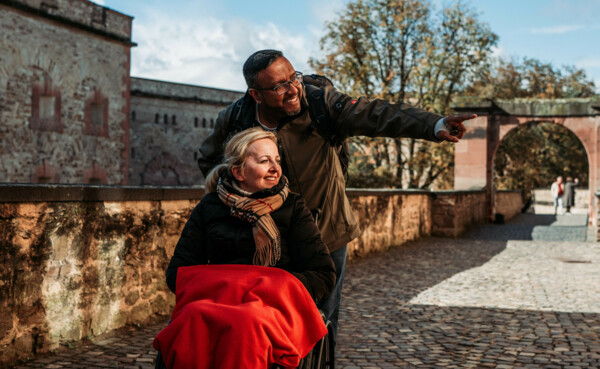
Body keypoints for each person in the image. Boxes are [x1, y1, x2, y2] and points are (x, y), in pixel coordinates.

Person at [197, 49, 477, 345]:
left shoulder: (321, 104)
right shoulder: (234, 119)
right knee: (264, 328)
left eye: (294, 78)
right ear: (256, 94)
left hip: (324, 236)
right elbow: (211, 164)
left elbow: (378, 113)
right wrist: (238, 201)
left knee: (319, 325)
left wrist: (434, 125)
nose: (293, 90)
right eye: (280, 86)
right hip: (262, 240)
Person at [157, 127, 336, 368]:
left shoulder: (293, 207)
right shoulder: (209, 207)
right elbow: (177, 273)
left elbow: (322, 274)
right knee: (192, 316)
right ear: (239, 171)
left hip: (273, 308)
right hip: (217, 301)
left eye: (277, 160)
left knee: (249, 321)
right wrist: (231, 285)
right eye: (264, 161)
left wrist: (271, 287)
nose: (275, 168)